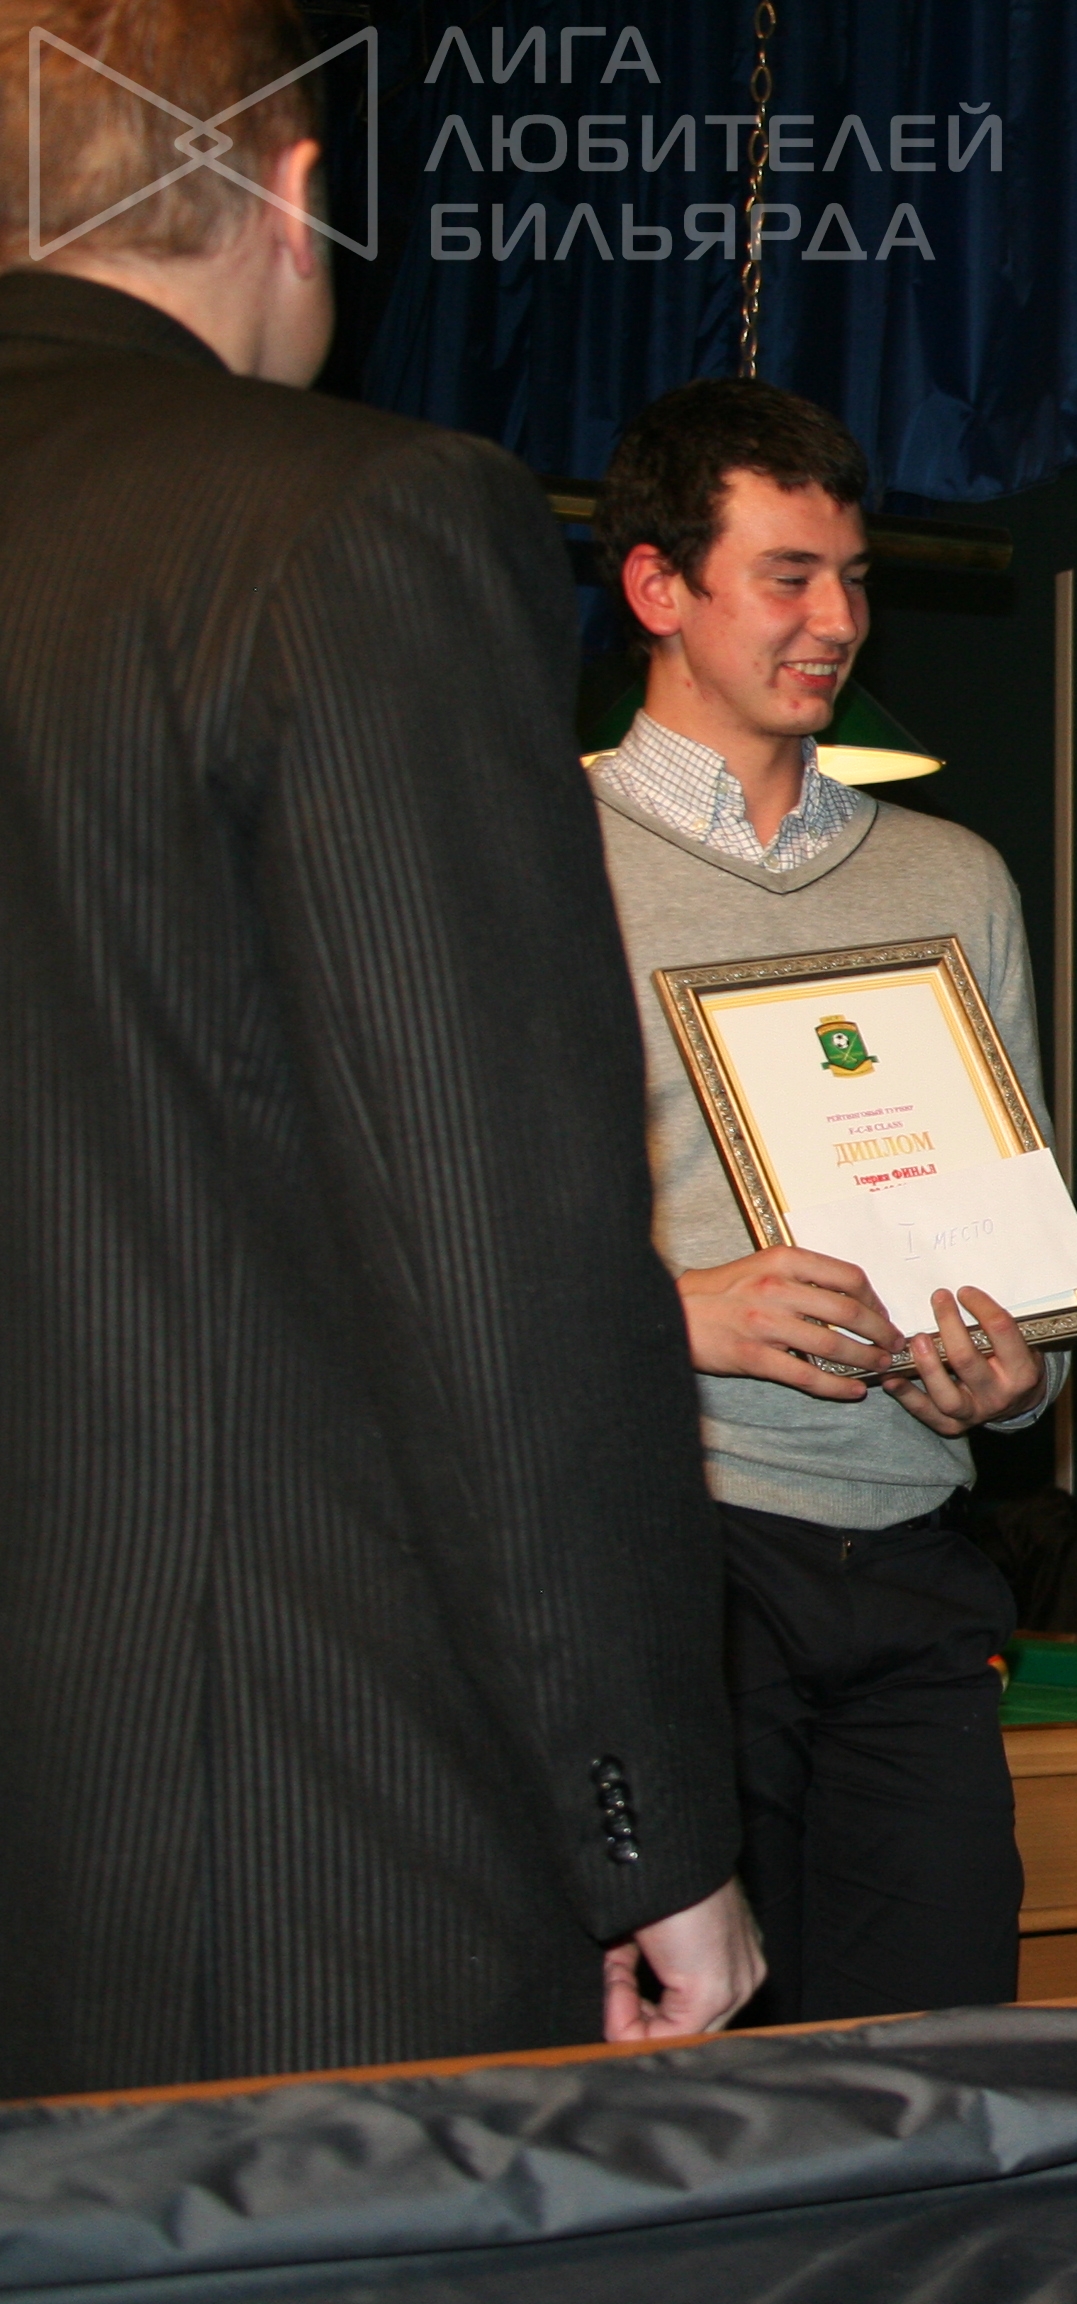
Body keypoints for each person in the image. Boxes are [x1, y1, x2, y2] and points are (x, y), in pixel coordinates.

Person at [0, 0, 756, 2095]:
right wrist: (645, 1827)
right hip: (267, 1845)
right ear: (293, 195)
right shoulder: (355, 525)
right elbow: (496, 1247)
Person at [593, 379, 1061, 2023]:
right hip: (676, 1557)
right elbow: (432, 1255)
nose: (840, 620)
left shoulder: (955, 876)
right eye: (788, 577)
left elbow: (1022, 1254)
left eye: (854, 578)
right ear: (658, 587)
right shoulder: (538, 854)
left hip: (918, 1555)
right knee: (710, 2096)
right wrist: (677, 1314)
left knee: (948, 2075)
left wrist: (1018, 1375)